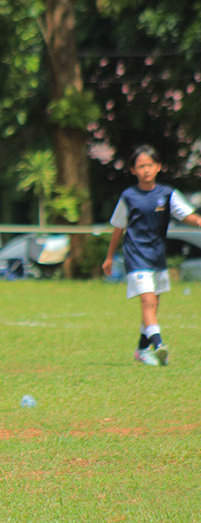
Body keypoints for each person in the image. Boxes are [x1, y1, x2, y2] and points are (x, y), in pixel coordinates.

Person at [102, 145, 201, 367]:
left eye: (149, 165)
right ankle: (158, 345)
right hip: (135, 256)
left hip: (157, 256)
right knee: (147, 301)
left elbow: (186, 214)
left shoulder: (167, 194)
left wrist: (198, 221)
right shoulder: (128, 197)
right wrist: (109, 257)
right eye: (140, 166)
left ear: (158, 167)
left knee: (153, 304)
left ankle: (141, 350)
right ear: (133, 170)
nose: (145, 170)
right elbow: (118, 227)